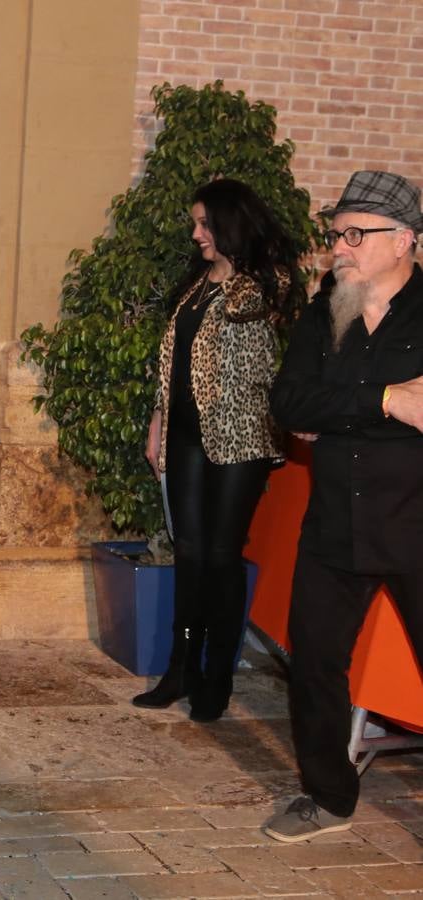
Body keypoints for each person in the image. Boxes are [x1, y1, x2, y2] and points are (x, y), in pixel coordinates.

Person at [264, 170, 423, 843]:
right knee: (315, 660)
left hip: (416, 523)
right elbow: (289, 404)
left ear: (406, 240)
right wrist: (390, 402)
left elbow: (315, 411)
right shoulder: (323, 311)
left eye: (357, 234)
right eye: (336, 234)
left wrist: (337, 416)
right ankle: (328, 795)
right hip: (334, 522)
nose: (340, 248)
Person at [139, 178, 303, 721]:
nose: (196, 234)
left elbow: (266, 329)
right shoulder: (196, 285)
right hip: (185, 434)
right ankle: (180, 667)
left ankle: (216, 675)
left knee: (220, 555)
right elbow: (177, 359)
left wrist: (236, 268)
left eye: (205, 224)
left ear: (229, 225)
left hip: (240, 438)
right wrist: (159, 419)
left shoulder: (259, 288)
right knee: (189, 552)